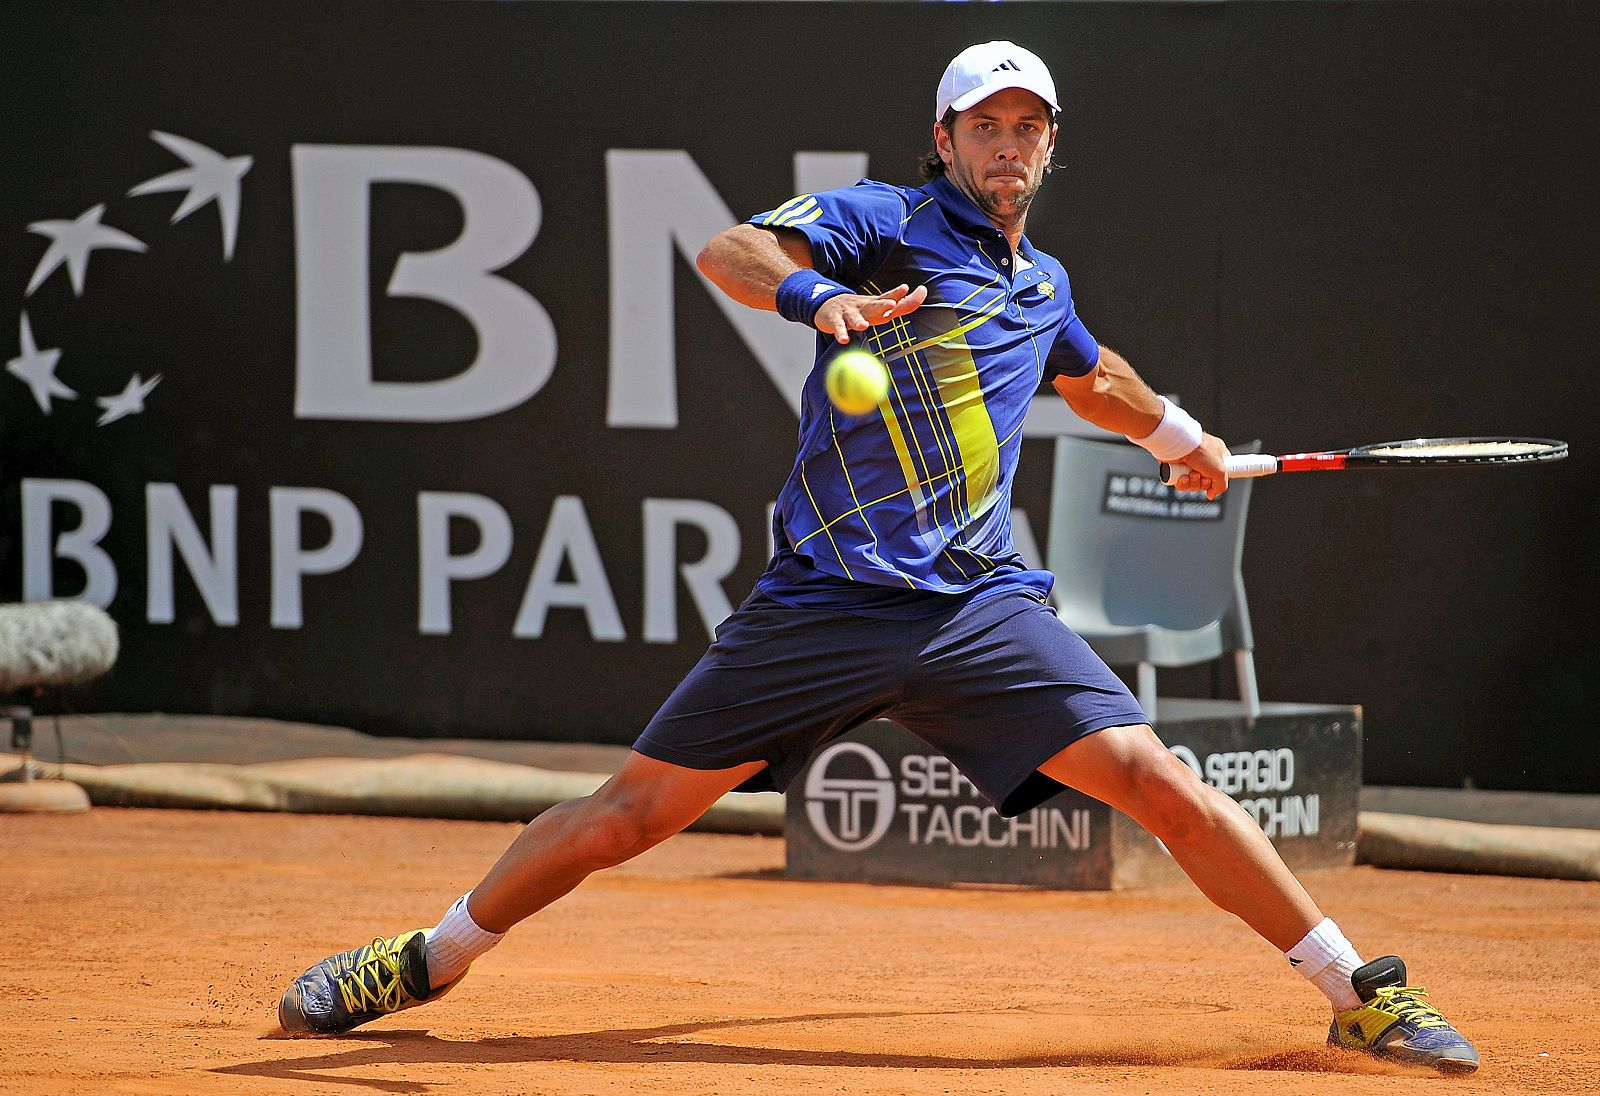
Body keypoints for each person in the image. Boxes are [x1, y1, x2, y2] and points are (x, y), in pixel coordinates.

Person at [276, 40, 1478, 1073]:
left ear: (1050, 147)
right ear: (944, 137)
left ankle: (1360, 994)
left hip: (976, 611)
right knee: (623, 818)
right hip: (823, 604)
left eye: (1029, 127)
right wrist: (815, 302)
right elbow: (728, 252)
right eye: (984, 125)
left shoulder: (1038, 281)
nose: (1007, 145)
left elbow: (1093, 377)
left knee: (1163, 783)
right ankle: (423, 963)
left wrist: (1184, 440)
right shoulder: (880, 221)